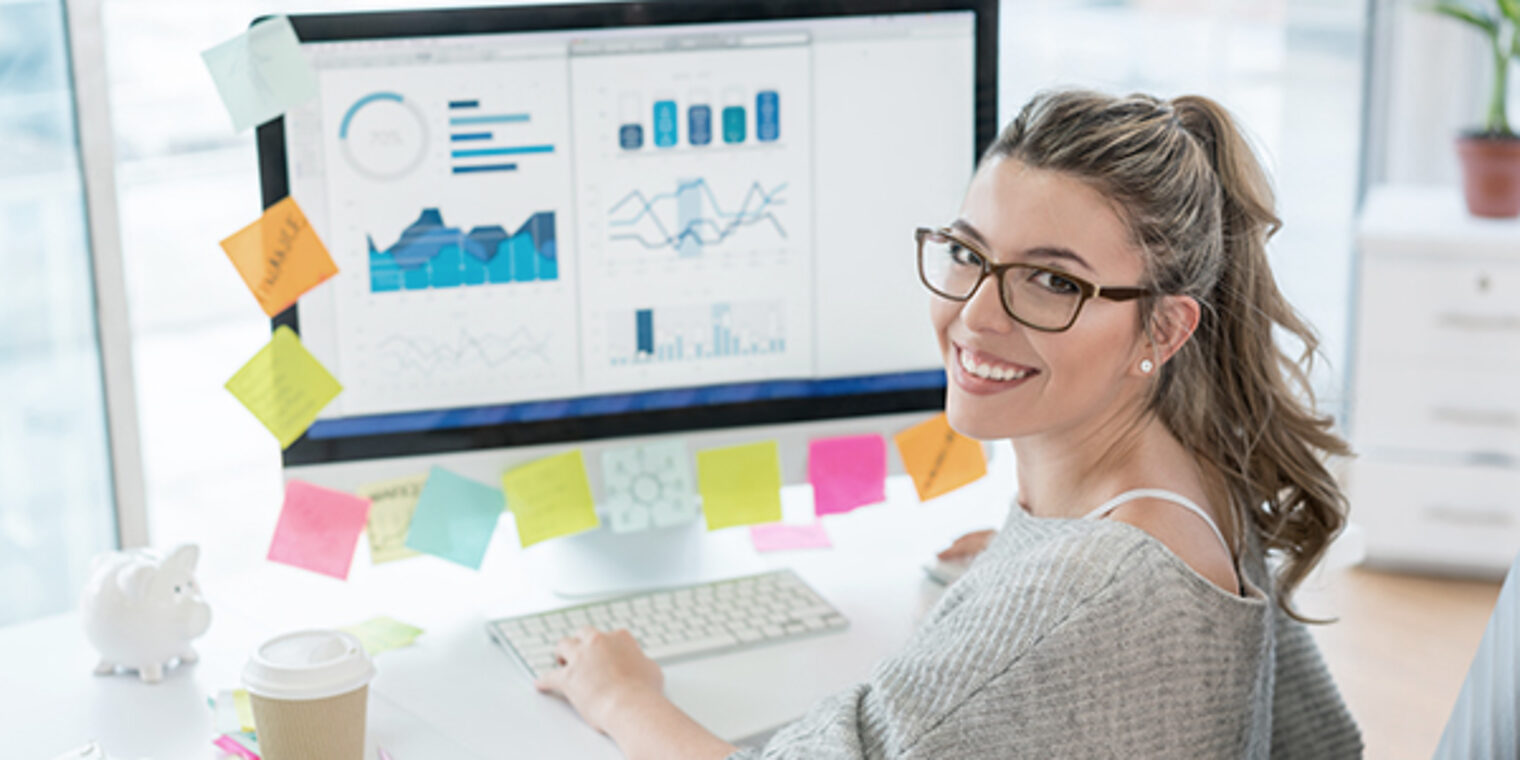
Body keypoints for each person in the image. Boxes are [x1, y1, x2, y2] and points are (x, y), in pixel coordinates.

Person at [533, 89, 1363, 758]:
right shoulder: (1195, 475)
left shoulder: (1092, 585)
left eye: (1050, 282)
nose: (975, 317)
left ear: (1165, 329)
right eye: (968, 254)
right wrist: (1014, 583)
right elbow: (1323, 742)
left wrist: (621, 697)